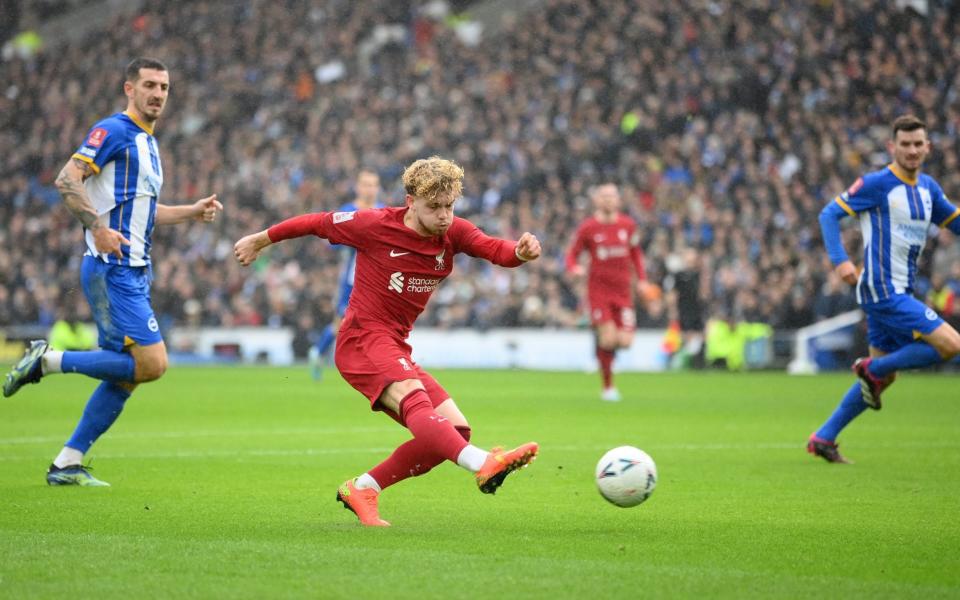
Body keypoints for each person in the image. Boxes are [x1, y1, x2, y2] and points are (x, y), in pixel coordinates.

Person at [234, 156, 541, 526]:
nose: (444, 216)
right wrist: (260, 239)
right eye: (434, 207)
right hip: (362, 338)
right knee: (419, 406)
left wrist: (520, 253)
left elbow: (494, 249)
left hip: (395, 343)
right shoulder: (374, 224)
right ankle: (482, 463)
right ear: (410, 201)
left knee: (455, 431)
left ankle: (364, 488)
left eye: (449, 206)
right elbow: (316, 222)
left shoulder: (453, 232)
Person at [2, 58, 222, 486]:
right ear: (129, 88)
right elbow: (68, 179)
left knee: (127, 374)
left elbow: (143, 212)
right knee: (153, 363)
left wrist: (191, 213)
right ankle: (45, 362)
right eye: (149, 85)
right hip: (113, 269)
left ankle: (67, 463)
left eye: (164, 87)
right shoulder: (116, 131)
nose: (158, 93)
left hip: (134, 270)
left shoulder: (148, 143)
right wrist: (97, 228)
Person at [808, 115, 960, 463]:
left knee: (884, 376)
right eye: (904, 144)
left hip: (899, 291)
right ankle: (871, 369)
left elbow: (955, 220)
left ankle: (823, 437)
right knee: (951, 345)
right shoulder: (877, 184)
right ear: (893, 147)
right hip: (881, 289)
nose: (911, 150)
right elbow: (829, 215)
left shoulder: (929, 190)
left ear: (928, 147)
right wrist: (840, 261)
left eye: (917, 144)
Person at [565, 183, 652, 401]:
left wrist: (642, 280)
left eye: (612, 196)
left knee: (625, 341)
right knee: (609, 337)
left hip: (623, 292)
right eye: (604, 196)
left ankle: (603, 353)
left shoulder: (628, 225)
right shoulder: (588, 228)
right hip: (599, 292)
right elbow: (572, 254)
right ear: (597, 200)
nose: (608, 200)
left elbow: (636, 255)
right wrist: (574, 268)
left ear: (618, 200)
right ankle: (608, 388)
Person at [309, 168, 384, 380]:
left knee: (375, 321)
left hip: (378, 279)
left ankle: (374, 364)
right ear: (358, 187)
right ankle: (318, 352)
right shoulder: (349, 210)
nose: (370, 189)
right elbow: (333, 242)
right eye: (366, 184)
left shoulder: (382, 211)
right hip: (353, 279)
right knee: (342, 322)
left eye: (373, 185)